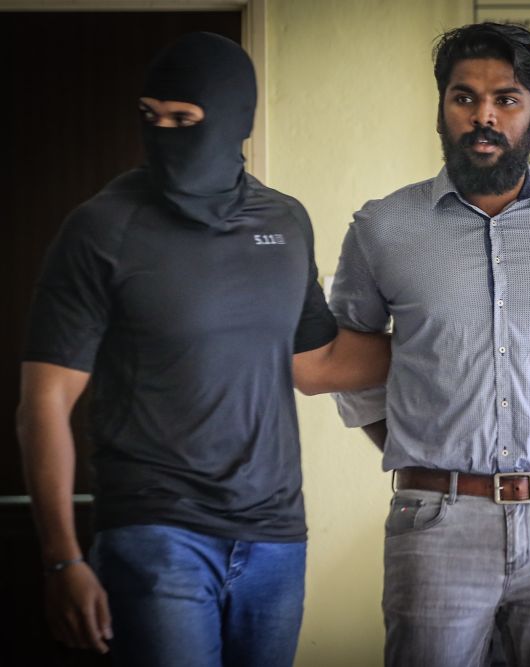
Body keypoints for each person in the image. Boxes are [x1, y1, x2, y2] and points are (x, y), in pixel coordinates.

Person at [17, 33, 388, 666]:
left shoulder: (284, 222)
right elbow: (44, 402)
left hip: (275, 539)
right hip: (155, 532)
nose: (163, 133)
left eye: (184, 119)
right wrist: (61, 559)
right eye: (151, 116)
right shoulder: (101, 229)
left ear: (235, 120)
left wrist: (446, 341)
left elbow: (314, 363)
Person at [329, 22, 530, 667]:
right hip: (436, 525)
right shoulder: (383, 227)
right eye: (464, 98)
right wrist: (427, 459)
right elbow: (350, 370)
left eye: (506, 99)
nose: (483, 116)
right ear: (441, 109)